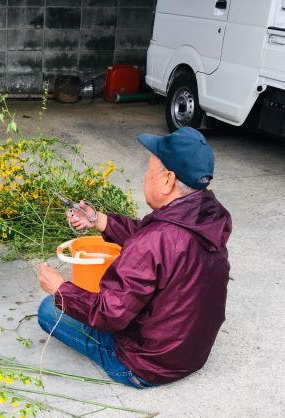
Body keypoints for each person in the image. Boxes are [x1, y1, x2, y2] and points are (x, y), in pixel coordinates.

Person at [37, 126, 232, 388]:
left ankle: (122, 365)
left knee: (48, 309)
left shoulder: (153, 241)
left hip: (146, 366)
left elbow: (109, 314)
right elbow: (150, 236)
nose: (146, 177)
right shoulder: (209, 216)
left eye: (149, 171)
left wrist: (61, 289)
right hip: (192, 354)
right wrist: (98, 220)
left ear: (167, 180)